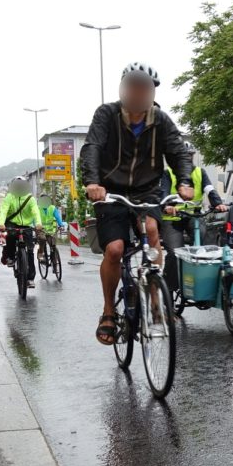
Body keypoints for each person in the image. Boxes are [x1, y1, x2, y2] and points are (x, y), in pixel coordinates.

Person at [82, 61, 194, 345]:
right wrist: (92, 183)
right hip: (111, 191)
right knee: (116, 249)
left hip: (146, 191)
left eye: (144, 88)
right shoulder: (107, 114)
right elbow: (92, 147)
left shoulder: (161, 120)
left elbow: (179, 153)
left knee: (153, 232)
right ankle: (108, 311)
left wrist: (185, 182)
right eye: (132, 86)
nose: (138, 92)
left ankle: (154, 297)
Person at [158, 165, 228, 297]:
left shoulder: (199, 172)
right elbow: (164, 192)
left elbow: (209, 189)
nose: (186, 159)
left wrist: (217, 203)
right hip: (172, 217)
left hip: (192, 216)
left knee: (207, 247)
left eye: (189, 156)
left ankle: (205, 282)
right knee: (174, 252)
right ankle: (170, 288)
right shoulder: (169, 172)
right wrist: (166, 206)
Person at [0, 176, 42, 287]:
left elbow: (35, 211)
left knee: (30, 251)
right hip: (12, 223)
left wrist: (38, 223)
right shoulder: (9, 197)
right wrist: (1, 223)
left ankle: (30, 279)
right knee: (10, 237)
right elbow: (4, 210)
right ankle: (11, 257)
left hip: (27, 225)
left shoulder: (30, 198)